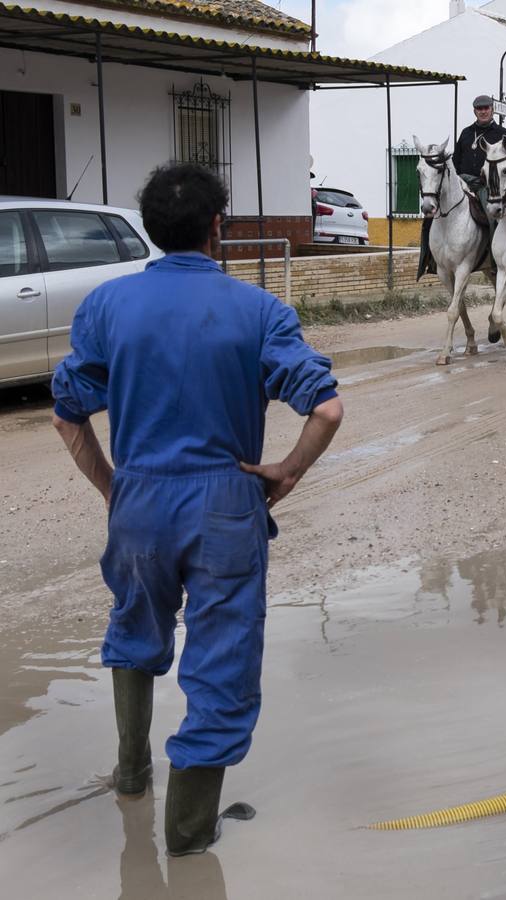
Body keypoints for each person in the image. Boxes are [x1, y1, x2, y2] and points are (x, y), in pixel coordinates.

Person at [50, 163, 343, 857]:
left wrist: (114, 489)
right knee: (221, 663)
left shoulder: (107, 305)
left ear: (153, 230)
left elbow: (68, 416)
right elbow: (326, 409)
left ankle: (130, 775)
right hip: (227, 504)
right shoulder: (260, 310)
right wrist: (287, 472)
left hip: (140, 501)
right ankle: (186, 835)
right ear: (219, 228)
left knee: (135, 629)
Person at [421, 94, 506, 277]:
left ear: (492, 109)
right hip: (461, 182)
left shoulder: (503, 134)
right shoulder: (466, 133)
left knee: (492, 217)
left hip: (485, 186)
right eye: (479, 109)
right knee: (431, 216)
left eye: (486, 108)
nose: (483, 111)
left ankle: (496, 263)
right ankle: (430, 260)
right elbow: (455, 161)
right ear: (475, 111)